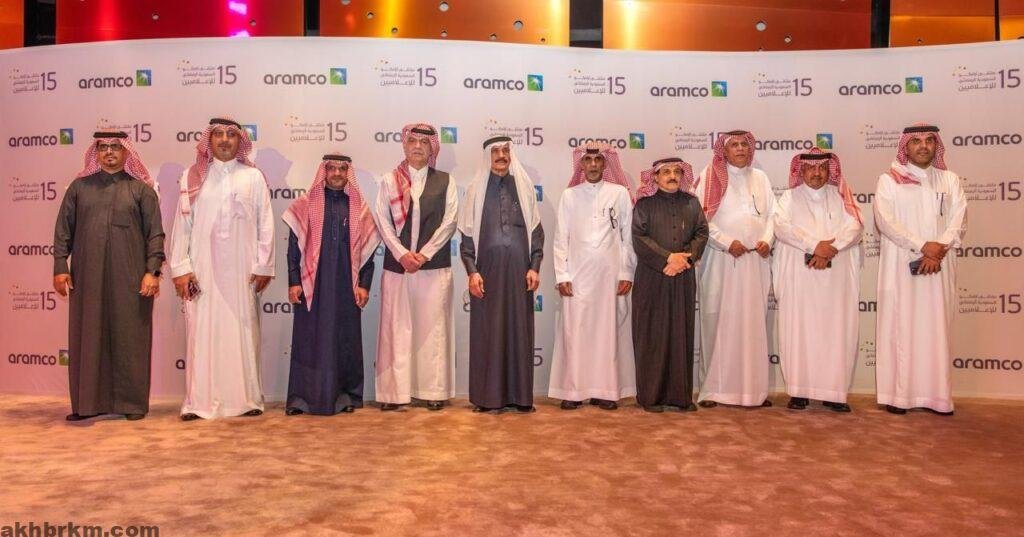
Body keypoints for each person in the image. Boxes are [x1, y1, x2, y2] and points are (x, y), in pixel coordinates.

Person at [53, 131, 164, 421]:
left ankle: (132, 405)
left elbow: (155, 235)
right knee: (88, 336)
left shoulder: (141, 190)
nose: (110, 152)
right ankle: (87, 405)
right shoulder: (79, 188)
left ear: (127, 152)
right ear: (96, 153)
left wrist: (152, 271)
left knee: (130, 337)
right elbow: (63, 231)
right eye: (103, 147)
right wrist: (60, 267)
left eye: (116, 147)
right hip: (87, 278)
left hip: (131, 278)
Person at [169, 117, 275, 420]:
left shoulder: (253, 177)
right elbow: (182, 226)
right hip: (202, 269)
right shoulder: (191, 177)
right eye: (218, 134)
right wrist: (181, 268)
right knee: (201, 333)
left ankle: (247, 400)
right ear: (209, 140)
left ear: (240, 141)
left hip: (242, 271)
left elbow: (266, 224)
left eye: (231, 134)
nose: (225, 139)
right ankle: (197, 403)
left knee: (242, 331)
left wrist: (263, 265)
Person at [873, 124, 967, 415]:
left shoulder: (950, 180)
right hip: (901, 267)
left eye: (929, 140)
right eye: (915, 141)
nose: (923, 146)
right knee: (901, 328)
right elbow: (885, 221)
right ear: (906, 146)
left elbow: (959, 220)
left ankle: (938, 398)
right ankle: (899, 397)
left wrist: (939, 248)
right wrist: (923, 246)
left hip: (940, 267)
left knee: (937, 330)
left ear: (936, 145)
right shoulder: (889, 180)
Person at [282, 153, 379, 415]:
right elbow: (293, 248)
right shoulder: (305, 205)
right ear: (323, 172)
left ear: (348, 173)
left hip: (346, 287)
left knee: (344, 340)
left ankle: (344, 397)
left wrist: (364, 285)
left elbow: (368, 254)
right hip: (312, 287)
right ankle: (302, 399)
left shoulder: (358, 208)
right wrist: (294, 281)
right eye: (332, 168)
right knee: (308, 341)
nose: (337, 173)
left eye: (342, 169)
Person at [373, 124, 458, 411]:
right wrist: (402, 255)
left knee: (433, 331)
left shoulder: (445, 181)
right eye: (413, 141)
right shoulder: (389, 181)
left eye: (424, 141)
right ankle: (393, 394)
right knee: (395, 331)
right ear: (404, 145)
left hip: (434, 268)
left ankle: (433, 391)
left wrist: (423, 255)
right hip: (398, 269)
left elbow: (450, 222)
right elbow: (383, 222)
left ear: (432, 147)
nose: (418, 146)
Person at [773, 149, 863, 412]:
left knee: (836, 332)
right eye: (811, 168)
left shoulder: (841, 196)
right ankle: (799, 392)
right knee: (799, 331)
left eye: (822, 167)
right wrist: (815, 246)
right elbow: (781, 227)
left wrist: (829, 250)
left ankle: (834, 393)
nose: (816, 172)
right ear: (801, 171)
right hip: (800, 281)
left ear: (829, 170)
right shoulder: (789, 198)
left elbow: (856, 226)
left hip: (836, 283)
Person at [549, 143, 637, 411]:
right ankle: (574, 391)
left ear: (606, 163)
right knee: (576, 332)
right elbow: (560, 238)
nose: (594, 165)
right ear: (582, 164)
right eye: (588, 160)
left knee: (607, 332)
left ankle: (606, 391)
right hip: (577, 277)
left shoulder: (619, 193)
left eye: (598, 159)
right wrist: (562, 274)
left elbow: (628, 237)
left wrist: (626, 272)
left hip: (610, 277)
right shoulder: (570, 196)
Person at [459, 136, 544, 413]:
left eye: (506, 150)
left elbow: (536, 231)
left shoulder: (524, 187)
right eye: (495, 151)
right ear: (488, 155)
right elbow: (467, 236)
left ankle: (521, 398)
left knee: (519, 333)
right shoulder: (476, 189)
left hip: (520, 274)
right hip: (487, 275)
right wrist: (472, 272)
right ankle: (487, 399)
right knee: (488, 334)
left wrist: (534, 266)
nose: (501, 155)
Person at [695, 130, 777, 409]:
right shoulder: (710, 177)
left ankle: (753, 392)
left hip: (755, 262)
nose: (741, 149)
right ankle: (713, 391)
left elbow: (773, 216)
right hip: (721, 262)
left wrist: (768, 239)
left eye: (744, 144)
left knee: (753, 325)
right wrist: (727, 242)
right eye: (734, 145)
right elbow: (701, 219)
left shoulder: (761, 178)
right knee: (718, 322)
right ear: (724, 151)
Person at [631, 157, 709, 412]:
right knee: (653, 335)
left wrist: (685, 259)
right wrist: (668, 258)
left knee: (680, 334)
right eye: (666, 172)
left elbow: (701, 233)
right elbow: (639, 238)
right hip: (653, 277)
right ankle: (651, 397)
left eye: (677, 171)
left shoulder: (692, 203)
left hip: (683, 277)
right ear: (655, 177)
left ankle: (680, 397)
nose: (672, 176)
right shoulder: (644, 205)